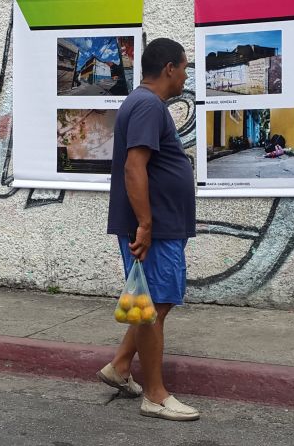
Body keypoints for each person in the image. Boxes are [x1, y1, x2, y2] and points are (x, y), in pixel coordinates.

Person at [99, 38, 199, 421]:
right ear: (170, 68)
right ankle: (155, 395)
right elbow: (133, 167)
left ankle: (121, 365)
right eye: (185, 68)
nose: (185, 76)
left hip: (161, 226)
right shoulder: (146, 105)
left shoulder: (145, 105)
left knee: (154, 302)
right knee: (151, 307)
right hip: (152, 229)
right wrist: (145, 223)